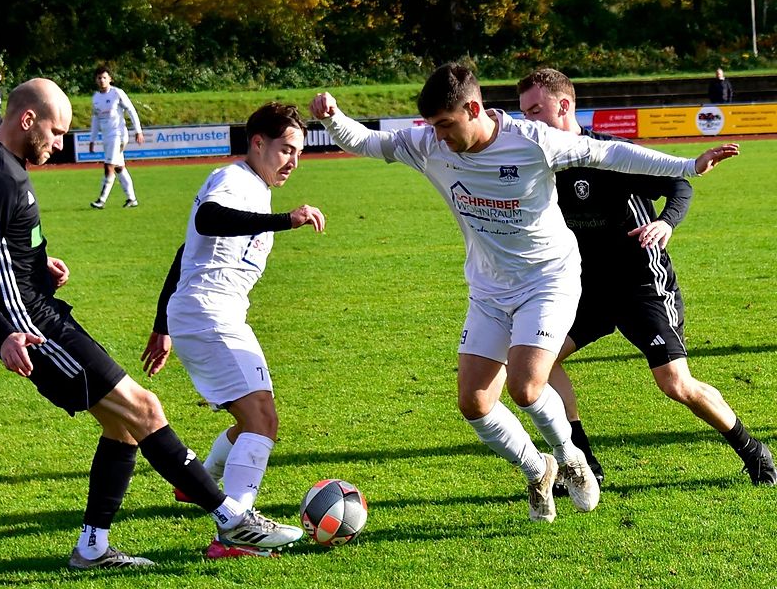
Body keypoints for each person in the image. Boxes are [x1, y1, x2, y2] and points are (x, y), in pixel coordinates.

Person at [309, 63, 738, 523]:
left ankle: (571, 458)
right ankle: (538, 469)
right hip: (489, 288)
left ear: (473, 108)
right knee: (474, 403)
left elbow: (611, 154)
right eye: (433, 127)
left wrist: (688, 165)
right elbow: (366, 143)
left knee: (526, 385)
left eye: (447, 124)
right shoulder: (428, 144)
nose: (439, 136)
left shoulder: (531, 140)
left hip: (548, 279)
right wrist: (333, 118)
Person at [0, 79, 305, 568]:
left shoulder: (0, 167)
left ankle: (92, 548)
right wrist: (4, 332)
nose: (60, 143)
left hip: (40, 308)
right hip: (32, 325)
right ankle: (230, 517)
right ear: (28, 120)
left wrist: (40, 263)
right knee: (144, 408)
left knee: (122, 428)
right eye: (56, 132)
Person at [516, 67, 775, 490]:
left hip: (642, 284)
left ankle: (753, 451)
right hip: (585, 290)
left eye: (535, 111)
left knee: (675, 384)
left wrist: (667, 224)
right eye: (524, 113)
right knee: (539, 365)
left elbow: (679, 185)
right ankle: (581, 461)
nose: (529, 122)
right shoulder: (539, 164)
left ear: (564, 106)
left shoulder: (612, 153)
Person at [141, 102, 325, 545]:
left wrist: (161, 324)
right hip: (209, 313)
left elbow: (185, 253)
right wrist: (286, 220)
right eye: (285, 150)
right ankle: (235, 530)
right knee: (263, 419)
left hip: (209, 312)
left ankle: (196, 482)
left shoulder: (254, 186)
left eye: (299, 153)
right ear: (257, 143)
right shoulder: (232, 179)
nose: (293, 162)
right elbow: (208, 220)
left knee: (250, 420)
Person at [88, 66, 143, 209]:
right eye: (99, 78)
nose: (102, 80)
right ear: (96, 80)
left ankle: (101, 200)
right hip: (107, 137)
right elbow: (95, 120)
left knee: (109, 166)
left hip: (118, 135)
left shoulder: (117, 93)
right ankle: (132, 199)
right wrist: (92, 139)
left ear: (110, 79)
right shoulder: (95, 98)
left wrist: (138, 130)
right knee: (119, 168)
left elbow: (131, 110)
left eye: (104, 77)